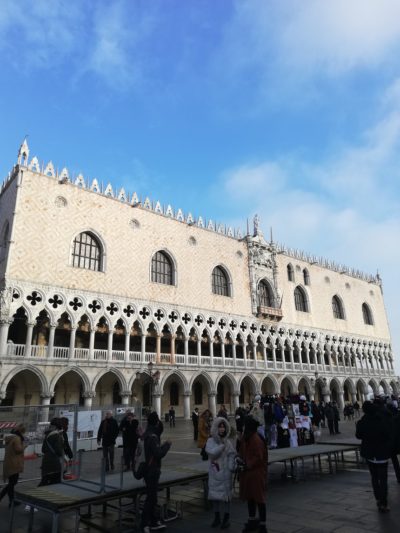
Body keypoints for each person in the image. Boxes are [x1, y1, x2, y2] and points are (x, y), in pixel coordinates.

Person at [356, 401, 393, 513]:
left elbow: (358, 435)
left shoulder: (362, 422)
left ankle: (378, 498)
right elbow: (387, 434)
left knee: (374, 478)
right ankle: (384, 503)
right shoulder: (381, 420)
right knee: (383, 479)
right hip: (382, 453)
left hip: (370, 454)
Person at [141, 411, 171, 532]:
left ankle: (153, 521)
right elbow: (158, 454)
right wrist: (167, 445)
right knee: (151, 498)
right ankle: (144, 524)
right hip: (152, 470)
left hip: (150, 470)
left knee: (153, 498)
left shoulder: (149, 433)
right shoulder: (152, 437)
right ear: (156, 421)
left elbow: (160, 430)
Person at [205, 417, 236, 529]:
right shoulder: (210, 441)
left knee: (226, 497)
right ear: (216, 428)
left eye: (224, 427)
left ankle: (226, 518)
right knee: (215, 496)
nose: (222, 429)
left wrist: (231, 465)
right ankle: (217, 517)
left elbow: (232, 454)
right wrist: (222, 446)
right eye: (220, 427)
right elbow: (212, 454)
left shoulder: (228, 441)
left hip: (226, 473)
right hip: (215, 472)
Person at [239, 416, 268, 533]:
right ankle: (252, 520)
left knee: (259, 499)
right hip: (249, 474)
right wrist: (239, 459)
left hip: (256, 474)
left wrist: (247, 464)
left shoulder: (256, 439)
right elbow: (241, 451)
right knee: (250, 498)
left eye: (245, 426)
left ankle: (262, 525)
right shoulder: (247, 438)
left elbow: (258, 457)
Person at [0, 423, 26, 508]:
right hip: (14, 464)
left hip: (10, 463)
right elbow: (18, 450)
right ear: (21, 432)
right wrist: (24, 447)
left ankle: (12, 501)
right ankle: (11, 500)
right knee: (12, 483)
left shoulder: (11, 438)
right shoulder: (17, 439)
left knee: (12, 483)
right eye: (23, 432)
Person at [39, 417, 64, 486]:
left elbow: (43, 449)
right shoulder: (57, 436)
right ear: (58, 426)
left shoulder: (47, 435)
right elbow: (59, 451)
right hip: (54, 463)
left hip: (45, 462)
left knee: (44, 481)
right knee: (56, 482)